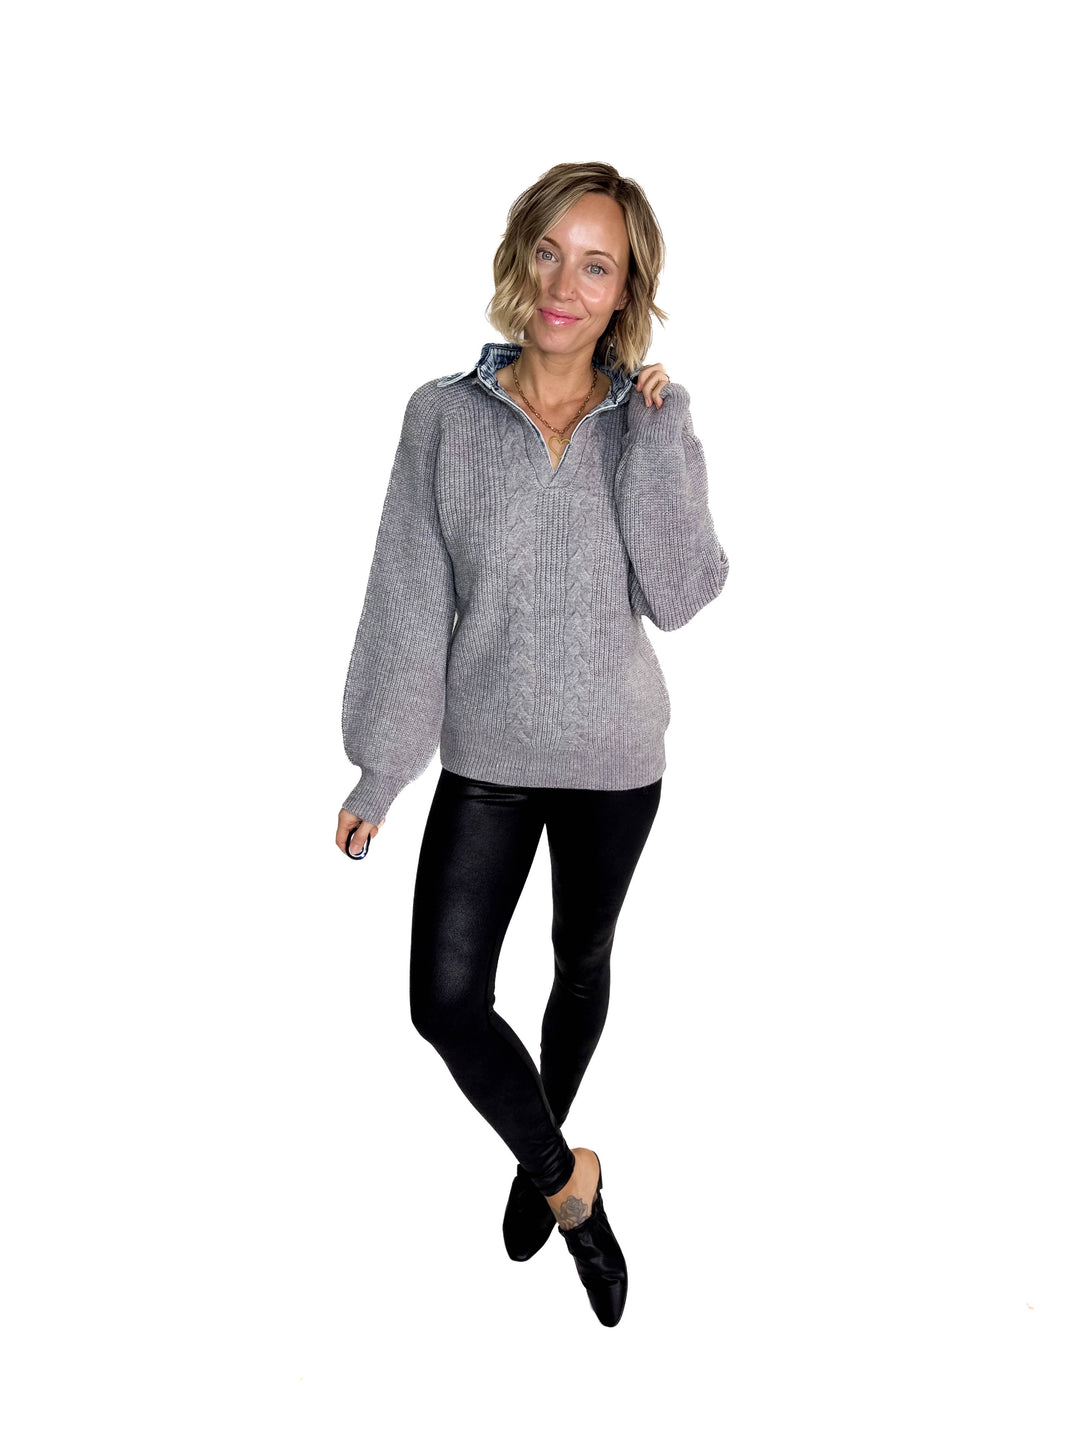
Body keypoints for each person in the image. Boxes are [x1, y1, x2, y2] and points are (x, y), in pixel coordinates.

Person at [334, 161, 730, 1326]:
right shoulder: (442, 417)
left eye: (596, 266)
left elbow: (682, 593)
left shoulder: (642, 422)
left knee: (579, 960)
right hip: (489, 759)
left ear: (625, 293)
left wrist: (662, 437)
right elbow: (409, 598)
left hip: (616, 757)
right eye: (551, 252)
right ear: (522, 256)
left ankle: (531, 1161)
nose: (565, 283)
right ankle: (567, 1181)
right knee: (446, 1001)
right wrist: (382, 767)